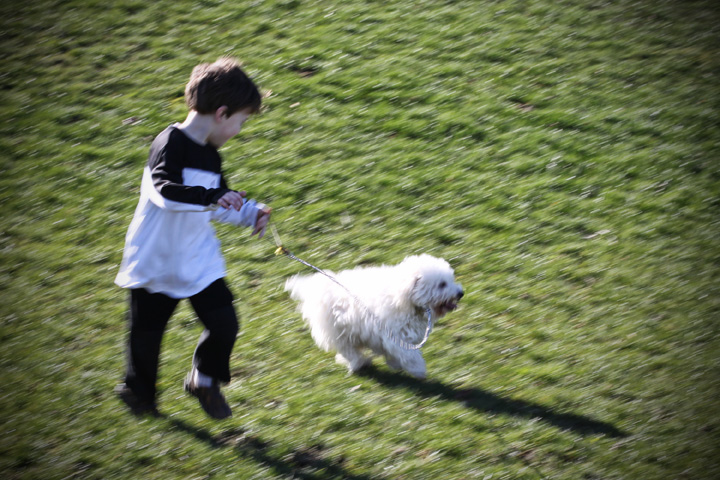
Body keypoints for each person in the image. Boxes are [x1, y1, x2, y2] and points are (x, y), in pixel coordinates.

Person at [114, 57, 271, 419]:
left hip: (197, 259)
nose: (240, 129)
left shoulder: (211, 156)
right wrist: (211, 197)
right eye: (241, 121)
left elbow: (219, 200)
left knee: (225, 323)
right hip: (156, 258)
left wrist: (250, 212)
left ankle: (203, 378)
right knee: (147, 334)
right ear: (221, 113)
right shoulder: (169, 143)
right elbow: (164, 193)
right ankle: (140, 395)